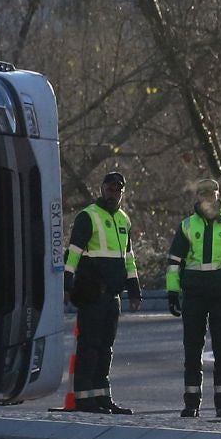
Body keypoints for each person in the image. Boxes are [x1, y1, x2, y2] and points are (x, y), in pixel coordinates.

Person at [165, 179, 221, 418]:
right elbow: (174, 264)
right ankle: (191, 402)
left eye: (211, 197)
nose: (207, 202)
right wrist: (172, 293)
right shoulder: (187, 226)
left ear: (217, 197)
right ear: (198, 199)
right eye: (203, 197)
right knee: (192, 351)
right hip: (194, 295)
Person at [63, 170, 142, 414]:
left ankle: (102, 397)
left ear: (122, 192)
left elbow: (128, 258)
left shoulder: (124, 220)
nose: (113, 193)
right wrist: (67, 283)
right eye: (109, 188)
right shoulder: (88, 216)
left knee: (106, 347)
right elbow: (73, 252)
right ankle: (84, 398)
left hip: (113, 295)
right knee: (89, 346)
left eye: (117, 189)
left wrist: (134, 290)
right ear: (101, 189)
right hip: (92, 291)